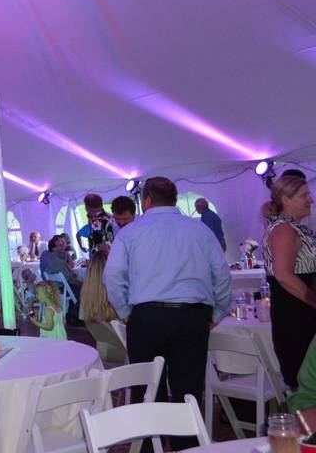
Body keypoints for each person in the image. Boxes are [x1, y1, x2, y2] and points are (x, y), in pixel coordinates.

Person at [104, 177, 231, 451]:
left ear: (146, 200)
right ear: (175, 199)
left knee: (148, 388)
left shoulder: (130, 232)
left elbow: (112, 276)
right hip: (192, 316)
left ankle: (151, 447)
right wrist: (218, 312)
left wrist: (126, 311)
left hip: (146, 318)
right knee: (188, 391)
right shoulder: (199, 230)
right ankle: (188, 448)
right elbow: (221, 274)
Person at [262, 174, 316, 388]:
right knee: (305, 381)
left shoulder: (293, 227)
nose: (310, 200)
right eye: (304, 195)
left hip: (301, 312)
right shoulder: (284, 230)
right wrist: (313, 301)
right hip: (297, 315)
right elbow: (283, 275)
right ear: (285, 199)